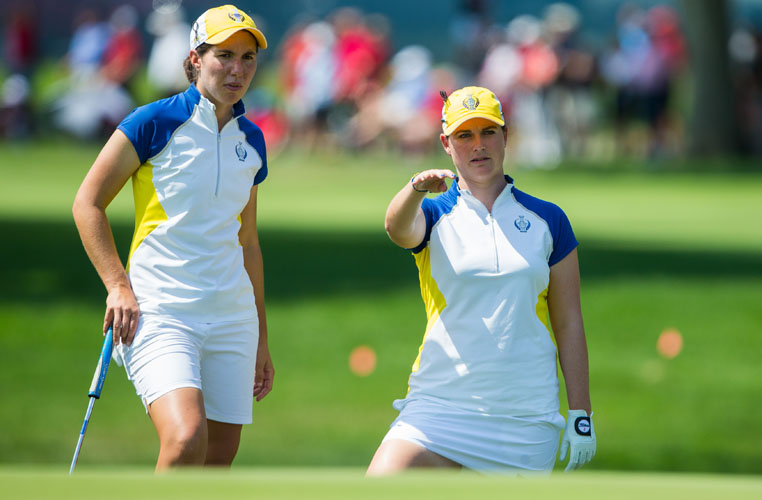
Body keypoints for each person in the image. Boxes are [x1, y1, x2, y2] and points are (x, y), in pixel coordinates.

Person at [72, 4, 274, 470]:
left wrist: (262, 336)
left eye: (247, 58)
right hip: (161, 310)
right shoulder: (153, 122)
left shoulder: (253, 140)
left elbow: (248, 244)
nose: (237, 69)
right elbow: (88, 203)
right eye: (225, 55)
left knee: (217, 459)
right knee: (186, 440)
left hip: (232, 317)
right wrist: (117, 285)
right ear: (196, 58)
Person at [367, 86, 595, 475]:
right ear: (446, 143)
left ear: (506, 136)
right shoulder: (434, 213)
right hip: (439, 407)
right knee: (384, 479)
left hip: (525, 416)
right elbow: (396, 227)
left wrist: (581, 413)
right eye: (464, 135)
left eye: (488, 132)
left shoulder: (548, 220)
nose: (478, 145)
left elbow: (569, 321)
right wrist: (415, 188)